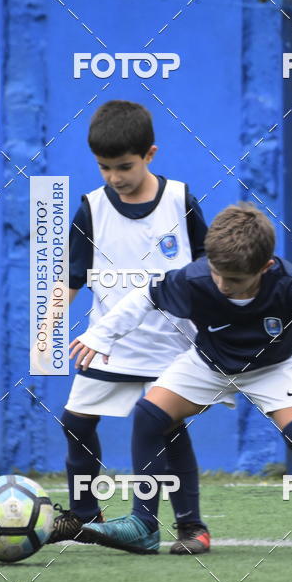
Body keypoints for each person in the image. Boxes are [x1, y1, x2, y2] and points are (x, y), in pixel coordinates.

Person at [70, 202, 292, 557]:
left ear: (266, 265)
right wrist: (101, 336)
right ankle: (144, 525)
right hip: (209, 362)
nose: (223, 284)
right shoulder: (196, 278)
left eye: (235, 279)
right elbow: (144, 297)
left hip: (272, 368)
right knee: (150, 415)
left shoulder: (290, 284)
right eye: (216, 273)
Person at [47, 100, 210, 554]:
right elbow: (73, 276)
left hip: (172, 347)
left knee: (168, 430)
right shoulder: (91, 210)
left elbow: (208, 269)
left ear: (150, 155)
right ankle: (84, 514)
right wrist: (49, 321)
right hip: (109, 344)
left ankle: (191, 527)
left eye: (124, 166)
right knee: (76, 421)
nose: (114, 177)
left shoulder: (181, 199)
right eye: (104, 167)